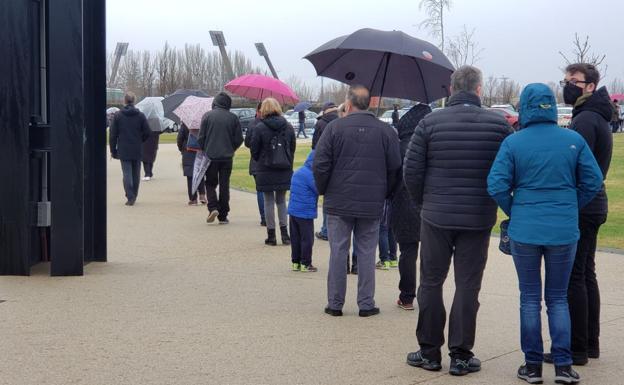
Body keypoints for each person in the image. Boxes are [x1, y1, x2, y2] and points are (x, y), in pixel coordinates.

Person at [488, 83, 603, 384]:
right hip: (564, 229)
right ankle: (563, 366)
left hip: (525, 227)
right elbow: (593, 181)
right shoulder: (573, 139)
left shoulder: (514, 143)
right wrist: (570, 205)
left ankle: (533, 366)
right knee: (558, 298)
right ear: (551, 106)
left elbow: (497, 184)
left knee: (529, 298)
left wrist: (516, 209)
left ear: (524, 107)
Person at [403, 66, 511, 375]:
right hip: (477, 216)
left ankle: (429, 351)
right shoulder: (498, 124)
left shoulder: (430, 122)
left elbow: (411, 171)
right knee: (467, 285)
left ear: (451, 90)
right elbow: (507, 170)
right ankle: (461, 354)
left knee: (431, 281)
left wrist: (423, 202)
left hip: (436, 213)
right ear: (479, 90)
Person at [314, 85, 401, 318]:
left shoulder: (334, 128)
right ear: (370, 104)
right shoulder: (386, 132)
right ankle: (365, 303)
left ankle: (335, 303)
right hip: (371, 202)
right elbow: (395, 167)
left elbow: (320, 164)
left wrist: (325, 189)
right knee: (366, 252)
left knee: (338, 251)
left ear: (349, 104)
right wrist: (385, 193)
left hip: (338, 200)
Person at [546, 63, 613, 367]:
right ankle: (590, 342)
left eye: (574, 81)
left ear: (590, 86)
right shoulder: (594, 115)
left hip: (584, 204)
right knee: (586, 273)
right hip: (593, 202)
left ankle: (577, 348)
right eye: (566, 81)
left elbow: (574, 164)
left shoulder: (586, 119)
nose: (568, 85)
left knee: (575, 276)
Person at [390, 103, 432, 310]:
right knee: (430, 253)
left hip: (403, 203)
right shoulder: (434, 143)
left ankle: (407, 296)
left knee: (407, 252)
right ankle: (428, 294)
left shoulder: (399, 146)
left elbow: (391, 176)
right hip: (429, 204)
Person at [250, 98, 296, 246]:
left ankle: (271, 235)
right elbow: (292, 148)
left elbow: (254, 150)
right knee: (282, 201)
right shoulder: (288, 127)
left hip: (265, 168)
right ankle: (285, 234)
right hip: (284, 167)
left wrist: (260, 160)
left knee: (268, 201)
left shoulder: (259, 127)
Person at [198, 92, 243, 224]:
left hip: (211, 156)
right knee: (224, 185)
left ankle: (212, 207)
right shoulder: (233, 118)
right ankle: (223, 214)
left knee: (210, 183)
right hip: (227, 157)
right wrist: (231, 148)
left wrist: (206, 148)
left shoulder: (207, 116)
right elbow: (239, 139)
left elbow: (201, 138)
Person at [109, 92, 151, 206]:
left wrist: (113, 150)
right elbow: (148, 132)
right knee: (136, 173)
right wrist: (140, 139)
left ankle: (130, 195)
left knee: (127, 173)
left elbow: (113, 134)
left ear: (125, 101)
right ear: (134, 101)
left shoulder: (118, 116)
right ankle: (134, 195)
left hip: (124, 148)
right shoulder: (140, 115)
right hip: (136, 147)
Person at [312, 102, 340, 241]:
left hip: (325, 164)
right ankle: (334, 230)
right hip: (340, 165)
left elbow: (315, 147)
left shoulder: (320, 124)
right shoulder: (342, 122)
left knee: (327, 199)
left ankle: (326, 230)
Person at [288, 150, 319, 272]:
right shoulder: (311, 176)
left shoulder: (298, 171)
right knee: (307, 239)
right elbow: (319, 189)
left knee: (295, 237)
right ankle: (306, 263)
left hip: (293, 211)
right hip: (305, 213)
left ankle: (295, 262)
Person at [245, 103, 266, 226]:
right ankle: (268, 216)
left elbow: (248, 142)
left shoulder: (254, 124)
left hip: (257, 161)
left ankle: (264, 217)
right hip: (270, 161)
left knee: (261, 190)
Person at [176, 123, 207, 205]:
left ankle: (193, 199)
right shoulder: (203, 123)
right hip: (200, 150)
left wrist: (181, 149)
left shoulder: (186, 124)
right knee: (200, 173)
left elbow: (180, 138)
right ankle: (202, 195)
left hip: (188, 151)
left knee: (190, 175)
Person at [375, 200, 397, 270]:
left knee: (383, 230)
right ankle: (393, 259)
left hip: (385, 203)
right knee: (391, 230)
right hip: (394, 202)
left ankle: (384, 260)